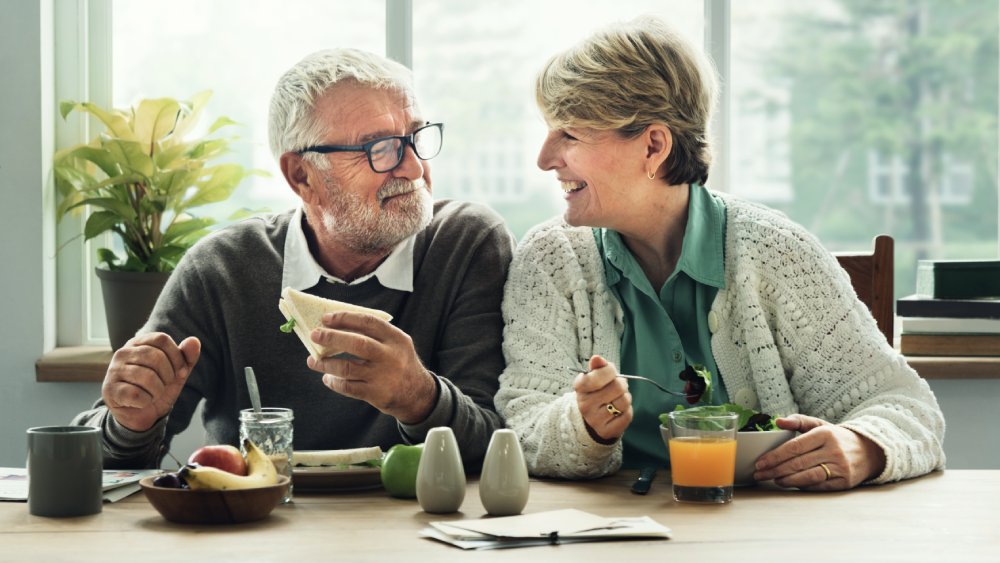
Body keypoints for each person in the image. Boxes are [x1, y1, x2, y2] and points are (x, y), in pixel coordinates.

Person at [496, 16, 945, 490]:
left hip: (766, 534)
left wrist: (865, 445)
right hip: (605, 534)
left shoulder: (779, 252)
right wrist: (583, 425)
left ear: (653, 145)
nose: (545, 158)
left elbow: (905, 406)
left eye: (569, 134)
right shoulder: (550, 260)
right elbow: (521, 424)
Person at [72, 48, 514, 470]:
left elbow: (498, 450)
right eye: (380, 148)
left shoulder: (466, 244)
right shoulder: (223, 269)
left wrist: (417, 396)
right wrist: (130, 422)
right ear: (301, 175)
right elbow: (93, 462)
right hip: (255, 529)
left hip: (416, 532)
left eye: (416, 137)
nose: (415, 169)